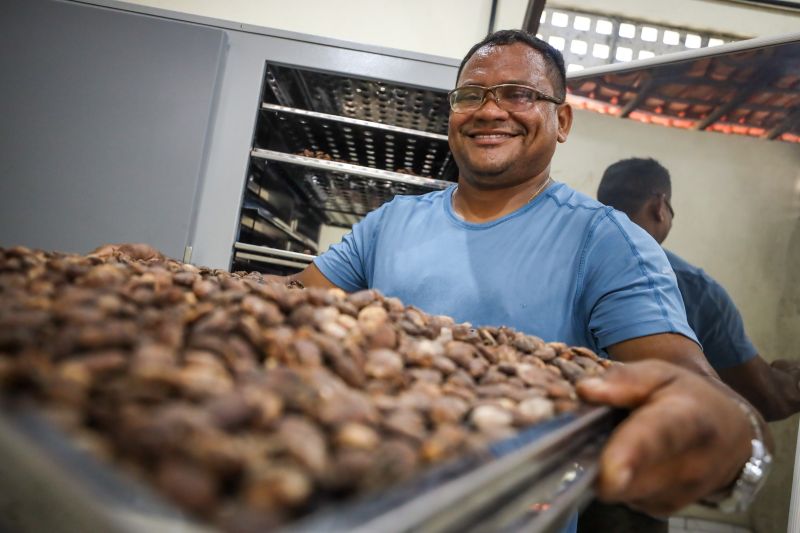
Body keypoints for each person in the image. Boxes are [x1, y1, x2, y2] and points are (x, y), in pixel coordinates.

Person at [273, 29, 772, 524]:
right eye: (471, 95)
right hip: (363, 503)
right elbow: (288, 308)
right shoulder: (393, 221)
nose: (490, 111)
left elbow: (700, 392)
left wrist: (731, 443)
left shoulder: (606, 241)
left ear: (563, 121)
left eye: (519, 94)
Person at [597, 157, 800, 422]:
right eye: (671, 209)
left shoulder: (564, 257)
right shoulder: (696, 289)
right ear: (659, 205)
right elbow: (766, 398)